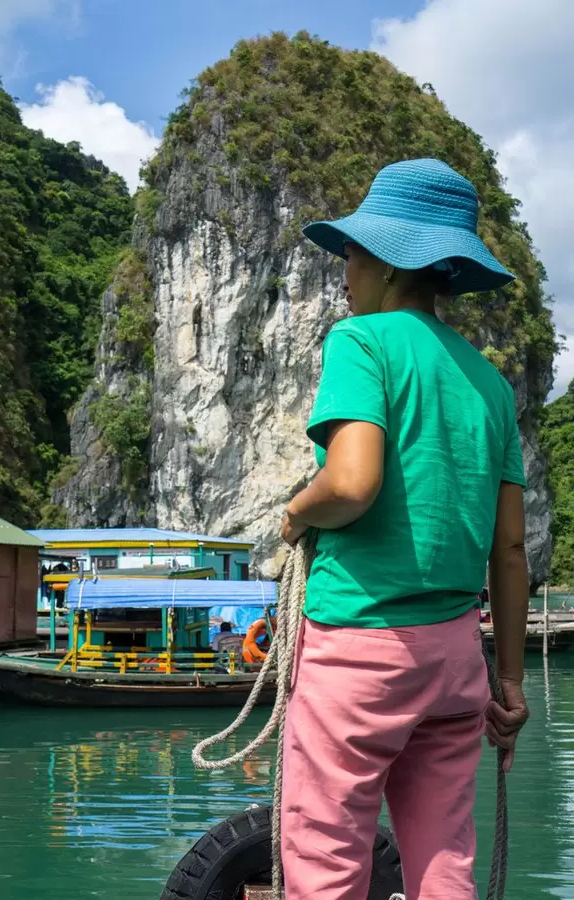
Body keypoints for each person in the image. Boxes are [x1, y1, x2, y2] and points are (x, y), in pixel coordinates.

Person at [279, 159, 530, 900]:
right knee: (443, 857)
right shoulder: (489, 382)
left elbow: (353, 484)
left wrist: (295, 514)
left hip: (360, 646)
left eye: (351, 254)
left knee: (325, 853)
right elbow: (509, 551)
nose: (344, 273)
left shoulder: (364, 343)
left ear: (388, 261)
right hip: (457, 661)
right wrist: (508, 681)